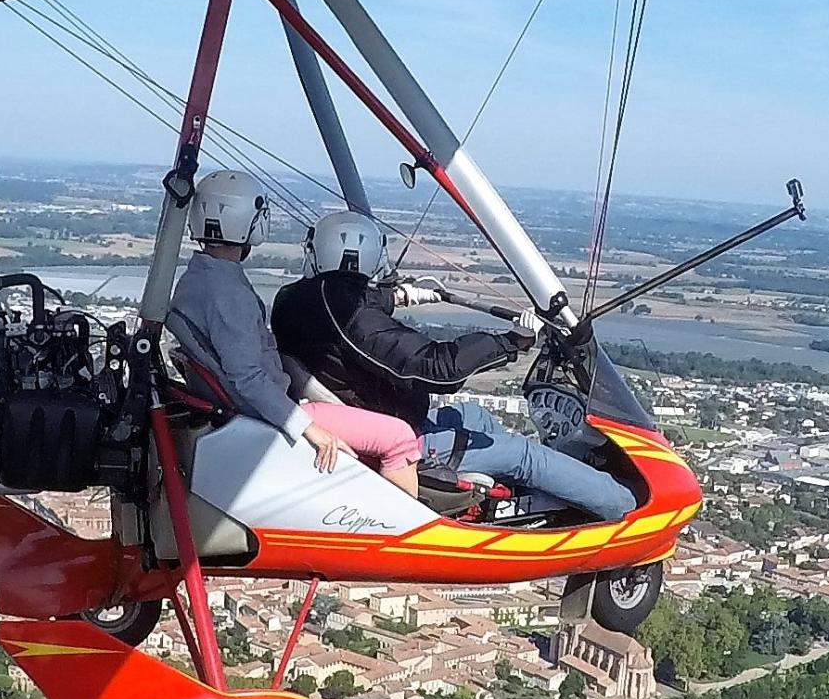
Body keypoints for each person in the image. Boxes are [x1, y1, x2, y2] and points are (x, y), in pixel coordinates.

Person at [270, 211, 636, 521]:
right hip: (396, 437)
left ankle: (531, 500)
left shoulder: (295, 299)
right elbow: (437, 367)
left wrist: (398, 295)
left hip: (364, 413)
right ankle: (624, 506)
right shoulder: (352, 318)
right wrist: (510, 342)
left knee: (476, 417)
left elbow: (350, 300)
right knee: (523, 455)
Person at [168, 171, 422, 497]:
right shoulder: (229, 296)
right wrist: (309, 429)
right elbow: (248, 378)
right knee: (400, 437)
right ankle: (402, 537)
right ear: (252, 222)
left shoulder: (198, 279)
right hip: (275, 413)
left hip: (262, 407)